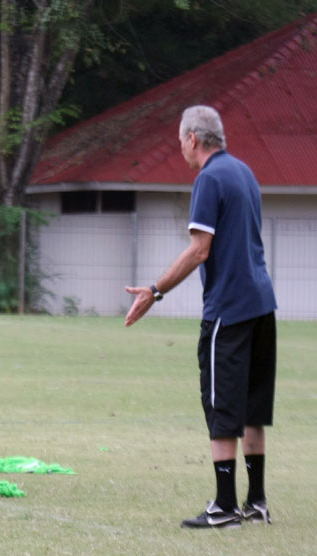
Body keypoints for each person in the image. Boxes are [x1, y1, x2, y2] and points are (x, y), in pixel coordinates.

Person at [125, 105, 276, 528]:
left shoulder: (208, 178)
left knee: (222, 407)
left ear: (193, 138)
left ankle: (225, 506)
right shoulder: (244, 172)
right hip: (262, 304)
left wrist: (154, 292)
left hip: (228, 309)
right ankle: (257, 502)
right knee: (251, 409)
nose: (181, 150)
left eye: (180, 142)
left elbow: (199, 250)